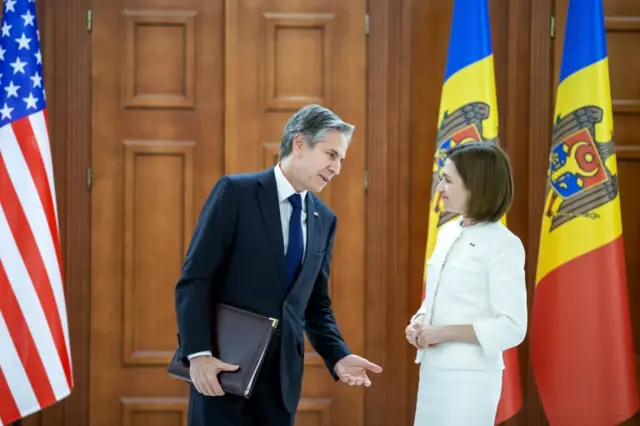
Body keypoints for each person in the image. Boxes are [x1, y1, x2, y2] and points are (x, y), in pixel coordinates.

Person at [174, 104, 382, 426]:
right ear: (299, 144)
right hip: (221, 374)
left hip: (281, 387)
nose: (337, 167)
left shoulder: (324, 220)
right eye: (331, 155)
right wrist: (198, 355)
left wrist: (338, 355)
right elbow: (195, 279)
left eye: (341, 158)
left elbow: (315, 304)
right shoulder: (235, 193)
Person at [405, 142, 527, 426]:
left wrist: (442, 333)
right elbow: (438, 295)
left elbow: (512, 326)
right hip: (433, 372)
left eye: (447, 180)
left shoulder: (504, 245)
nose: (439, 188)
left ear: (476, 185)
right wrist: (420, 321)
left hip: (471, 378)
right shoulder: (448, 232)